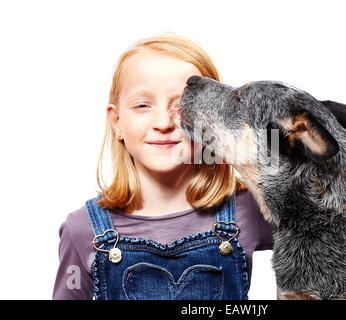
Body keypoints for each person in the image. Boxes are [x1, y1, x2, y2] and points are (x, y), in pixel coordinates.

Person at [52, 33, 275, 300]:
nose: (163, 123)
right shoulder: (82, 229)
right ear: (117, 122)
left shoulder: (251, 210)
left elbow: (330, 241)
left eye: (182, 107)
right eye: (143, 105)